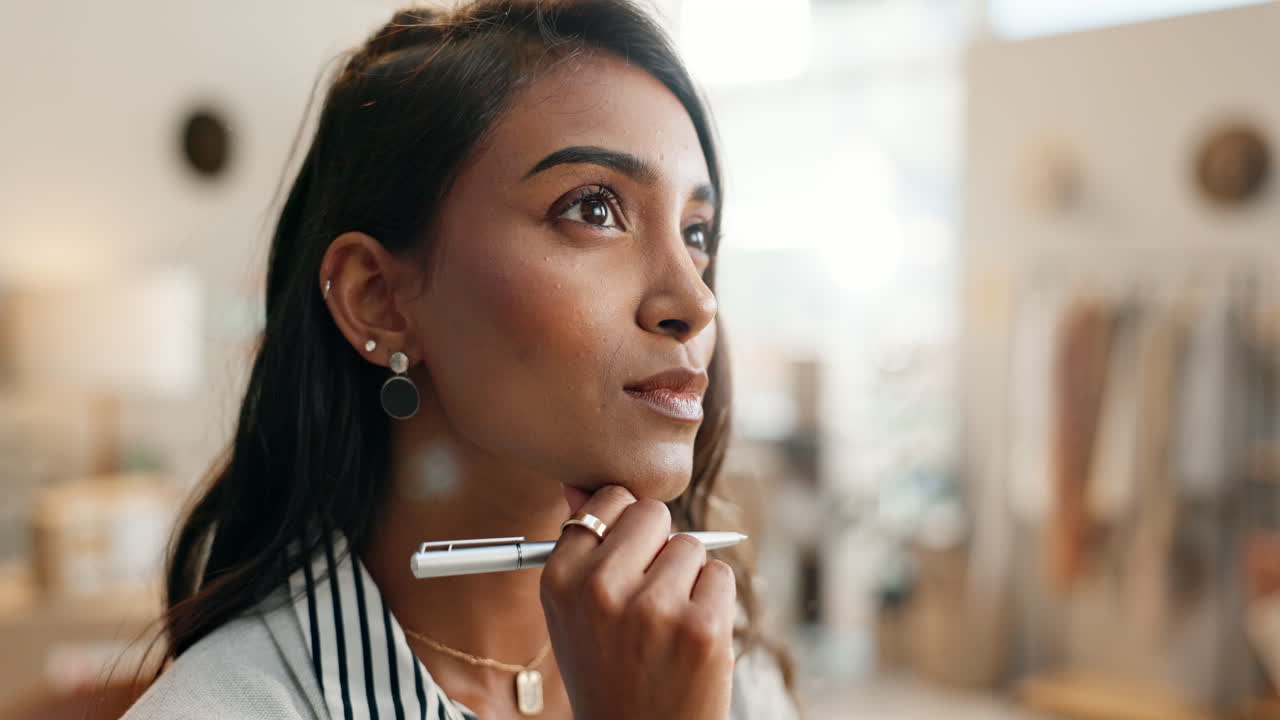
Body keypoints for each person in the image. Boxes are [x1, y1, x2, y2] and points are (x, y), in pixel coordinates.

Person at [120, 1, 799, 718]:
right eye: (594, 209)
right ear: (377, 298)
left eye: (697, 232)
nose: (695, 302)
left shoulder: (723, 667)